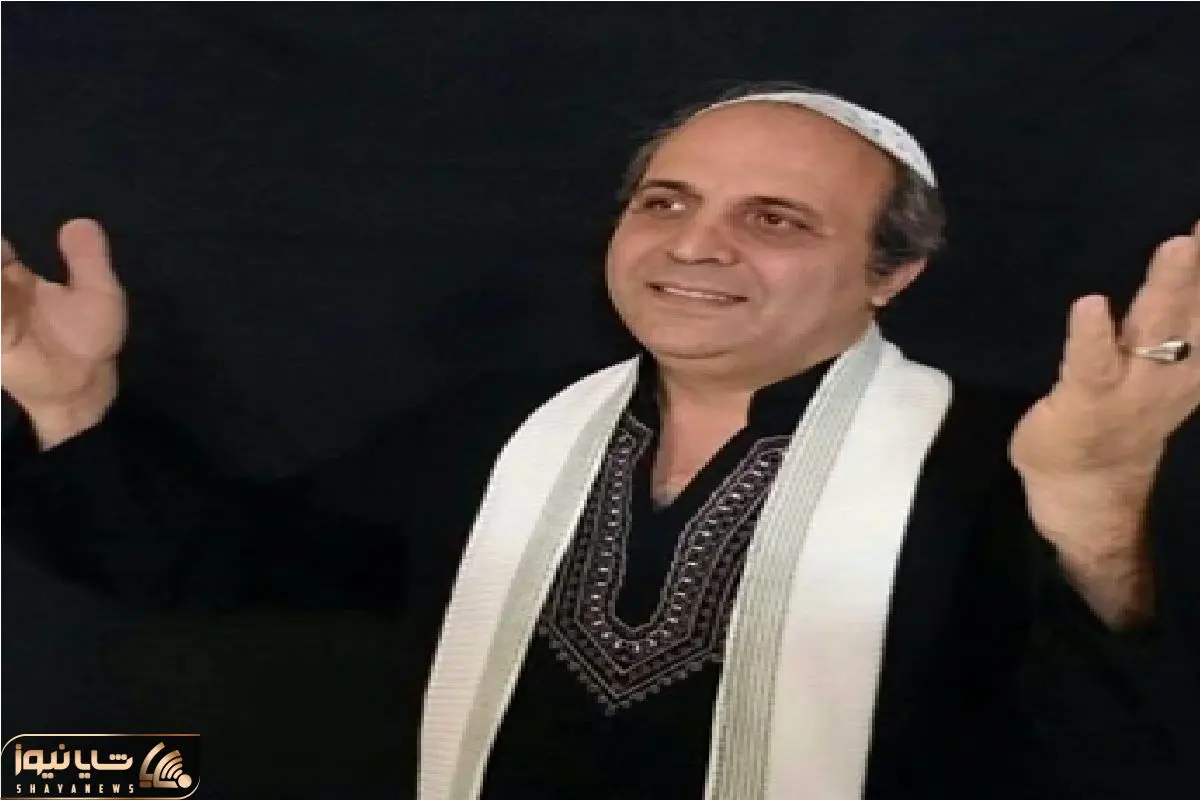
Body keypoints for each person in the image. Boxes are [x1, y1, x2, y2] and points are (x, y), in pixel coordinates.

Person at [3, 82, 1198, 800]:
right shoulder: (495, 430)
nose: (696, 244)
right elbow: (223, 563)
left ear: (892, 271)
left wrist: (1098, 517)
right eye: (666, 201)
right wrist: (70, 401)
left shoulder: (1015, 456)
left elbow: (1126, 757)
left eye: (776, 218)